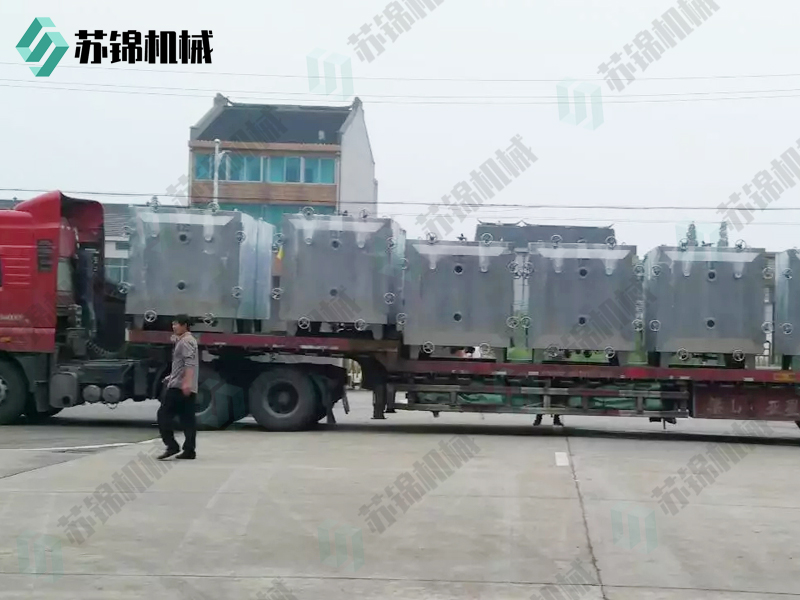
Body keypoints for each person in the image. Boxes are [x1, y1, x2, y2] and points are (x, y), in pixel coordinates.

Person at [157, 315, 199, 460]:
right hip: (185, 385)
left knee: (163, 415)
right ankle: (189, 450)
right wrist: (171, 376)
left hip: (179, 387)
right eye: (173, 324)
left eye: (176, 324)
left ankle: (172, 445)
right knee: (187, 419)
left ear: (185, 325)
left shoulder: (186, 341)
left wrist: (186, 382)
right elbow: (181, 365)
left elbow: (189, 363)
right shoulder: (186, 340)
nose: (173, 327)